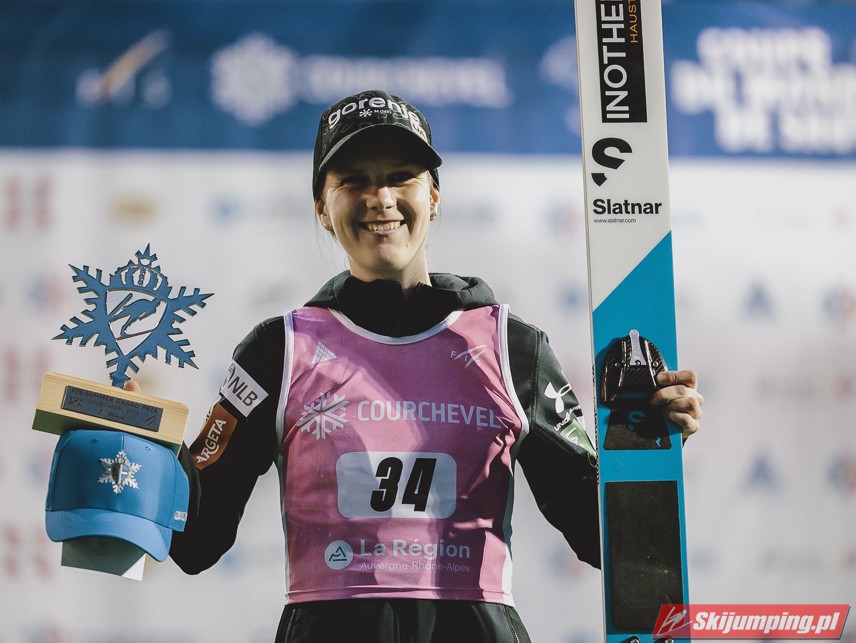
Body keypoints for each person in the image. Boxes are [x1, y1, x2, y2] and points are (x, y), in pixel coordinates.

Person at [129, 89, 703, 642]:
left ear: (434, 197)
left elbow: (608, 542)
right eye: (352, 181)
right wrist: (138, 449)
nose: (379, 197)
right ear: (323, 209)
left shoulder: (512, 347)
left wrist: (641, 440)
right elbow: (196, 540)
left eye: (401, 176)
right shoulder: (277, 351)